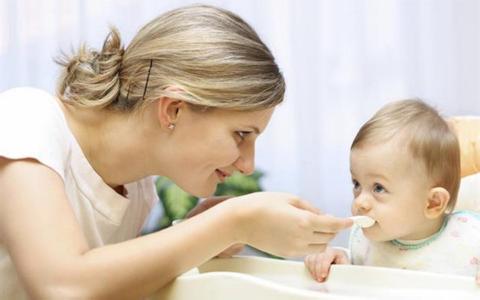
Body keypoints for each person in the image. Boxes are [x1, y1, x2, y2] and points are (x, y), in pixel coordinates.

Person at [0, 4, 353, 299]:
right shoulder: (26, 119)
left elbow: (110, 284)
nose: (248, 165)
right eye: (241, 134)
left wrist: (198, 234)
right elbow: (62, 286)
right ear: (173, 109)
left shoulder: (137, 190)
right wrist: (228, 224)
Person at [304, 99, 480, 284]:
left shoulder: (470, 237)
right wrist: (337, 260)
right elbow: (357, 280)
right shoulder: (366, 244)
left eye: (378, 188)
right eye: (356, 184)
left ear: (433, 203)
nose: (359, 202)